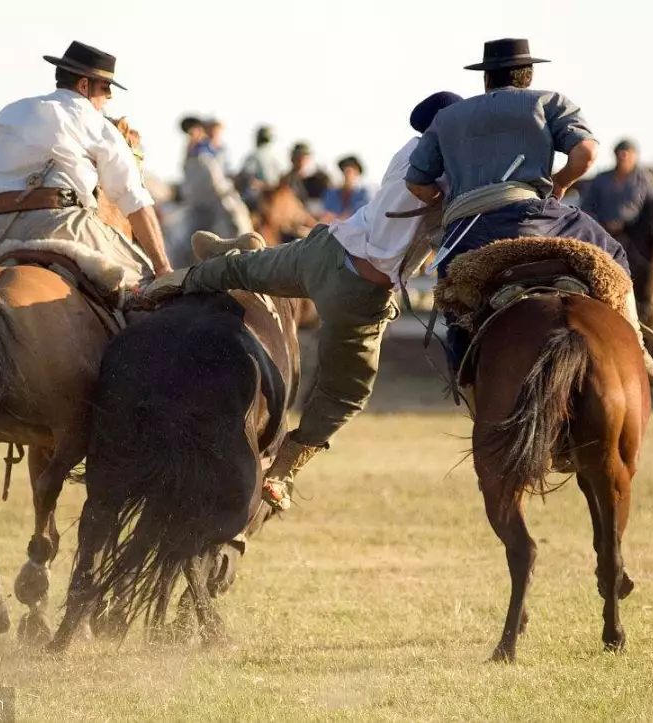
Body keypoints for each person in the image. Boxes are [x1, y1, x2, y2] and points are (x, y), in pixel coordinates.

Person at [142, 91, 464, 510]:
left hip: (326, 250)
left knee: (251, 271)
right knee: (347, 394)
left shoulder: (409, 151)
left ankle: (181, 278)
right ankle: (283, 468)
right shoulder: (451, 165)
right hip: (360, 290)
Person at [404, 38, 653, 391]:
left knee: (453, 292)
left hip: (472, 230)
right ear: (528, 75)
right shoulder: (547, 101)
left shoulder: (447, 117)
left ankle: (466, 376)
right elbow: (585, 153)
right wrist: (561, 183)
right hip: (540, 217)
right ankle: (642, 355)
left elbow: (416, 181)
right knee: (613, 255)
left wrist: (452, 200)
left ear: (486, 78)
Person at [0, 40, 172, 289]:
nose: (108, 97)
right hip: (63, 226)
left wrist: (10, 187)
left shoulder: (12, 111)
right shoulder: (98, 124)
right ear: (83, 84)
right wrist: (163, 267)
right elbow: (133, 197)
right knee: (141, 283)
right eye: (105, 88)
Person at [180, 116, 252, 239]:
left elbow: (225, 172)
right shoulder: (197, 150)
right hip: (203, 198)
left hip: (221, 194)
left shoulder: (220, 149)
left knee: (237, 214)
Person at [580, 139, 653, 235]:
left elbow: (651, 209)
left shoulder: (645, 180)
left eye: (628, 153)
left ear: (635, 156)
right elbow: (587, 206)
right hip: (603, 233)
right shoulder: (601, 179)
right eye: (620, 152)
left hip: (635, 236)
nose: (624, 156)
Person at [237, 125, 283, 209]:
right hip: (275, 192)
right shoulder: (278, 156)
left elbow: (246, 176)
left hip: (260, 195)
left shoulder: (254, 155)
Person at [321, 155, 369, 221]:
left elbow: (362, 215)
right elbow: (328, 213)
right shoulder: (331, 193)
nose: (348, 174)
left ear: (357, 173)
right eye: (345, 170)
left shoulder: (364, 194)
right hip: (333, 228)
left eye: (351, 171)